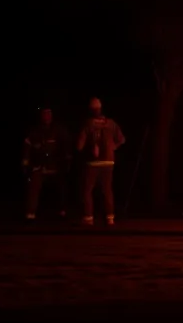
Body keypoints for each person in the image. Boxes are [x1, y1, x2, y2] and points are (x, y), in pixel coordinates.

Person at [76, 97, 125, 226]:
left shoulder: (88, 124)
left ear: (90, 110)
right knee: (107, 190)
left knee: (87, 190)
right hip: (108, 162)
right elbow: (122, 139)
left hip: (93, 162)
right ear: (100, 109)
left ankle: (88, 217)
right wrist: (113, 147)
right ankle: (110, 217)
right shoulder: (111, 123)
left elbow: (79, 146)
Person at [22, 106, 72, 221]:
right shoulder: (34, 131)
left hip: (56, 166)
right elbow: (27, 148)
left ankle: (62, 210)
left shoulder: (59, 130)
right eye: (44, 113)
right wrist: (25, 164)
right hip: (39, 166)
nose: (47, 116)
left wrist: (67, 162)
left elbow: (67, 147)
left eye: (49, 113)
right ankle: (30, 213)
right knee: (33, 185)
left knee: (62, 186)